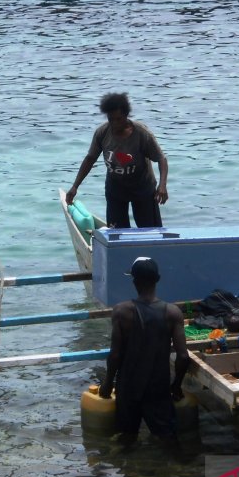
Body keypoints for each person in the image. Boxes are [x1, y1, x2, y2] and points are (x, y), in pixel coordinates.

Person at [99, 257, 190, 444]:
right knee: (168, 440)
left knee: (127, 438)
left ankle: (131, 471)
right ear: (158, 279)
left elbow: (115, 355)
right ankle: (176, 471)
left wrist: (108, 383)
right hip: (158, 388)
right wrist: (176, 385)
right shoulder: (172, 312)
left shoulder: (121, 311)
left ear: (134, 281)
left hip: (128, 387)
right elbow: (182, 356)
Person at [66, 92, 169, 228]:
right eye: (111, 119)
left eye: (119, 119)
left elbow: (161, 159)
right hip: (116, 189)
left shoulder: (142, 134)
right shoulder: (102, 133)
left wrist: (162, 186)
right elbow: (90, 159)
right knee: (116, 232)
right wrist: (75, 186)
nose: (114, 124)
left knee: (151, 230)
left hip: (142, 188)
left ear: (126, 116)